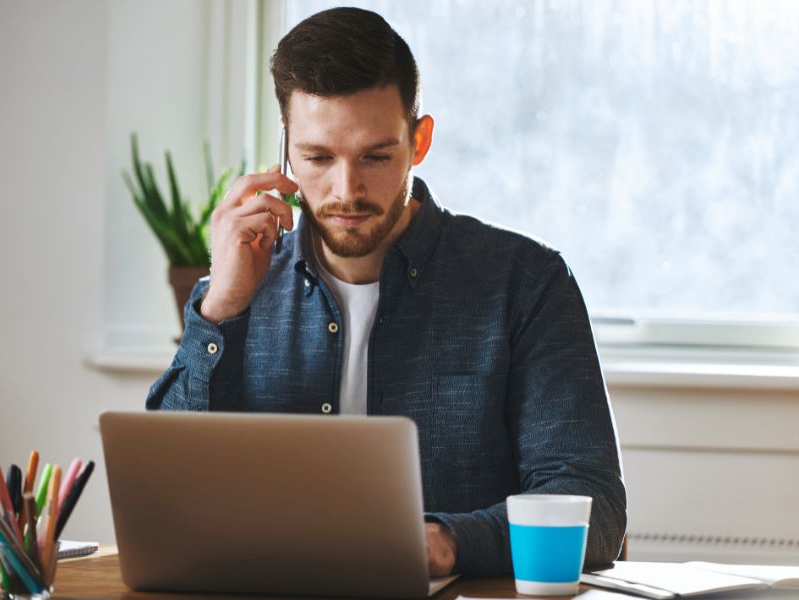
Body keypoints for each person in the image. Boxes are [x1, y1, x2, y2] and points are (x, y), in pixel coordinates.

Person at [147, 6, 626, 578]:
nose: (347, 191)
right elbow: (160, 496)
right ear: (285, 152)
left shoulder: (525, 283)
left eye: (376, 156)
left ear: (418, 140)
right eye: (318, 158)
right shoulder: (237, 286)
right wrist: (219, 309)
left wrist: (451, 541)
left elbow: (592, 505)